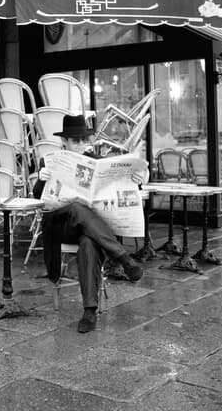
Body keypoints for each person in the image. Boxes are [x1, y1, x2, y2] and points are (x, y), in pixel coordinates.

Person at [33, 114, 145, 333]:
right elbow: (37, 198)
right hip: (60, 226)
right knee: (75, 208)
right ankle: (123, 257)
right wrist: (41, 179)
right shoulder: (48, 161)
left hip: (88, 228)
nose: (82, 145)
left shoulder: (96, 161)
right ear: (64, 141)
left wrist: (135, 182)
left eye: (85, 140)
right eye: (76, 141)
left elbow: (115, 190)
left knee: (88, 242)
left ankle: (89, 311)